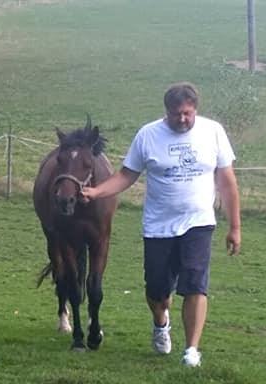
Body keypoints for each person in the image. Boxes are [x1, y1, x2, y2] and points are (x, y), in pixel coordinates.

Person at [80, 82, 241, 367]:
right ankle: (160, 321)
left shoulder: (213, 132)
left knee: (195, 285)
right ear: (166, 111)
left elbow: (226, 182)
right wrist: (96, 191)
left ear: (196, 110)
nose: (183, 119)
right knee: (157, 291)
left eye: (188, 114)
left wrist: (234, 227)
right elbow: (126, 175)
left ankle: (191, 350)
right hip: (158, 226)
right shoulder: (148, 135)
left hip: (198, 222)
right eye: (177, 114)